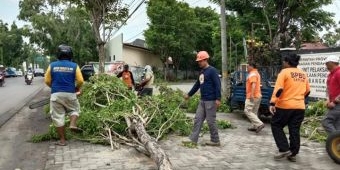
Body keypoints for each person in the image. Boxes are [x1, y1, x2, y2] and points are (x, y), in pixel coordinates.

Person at [269, 53, 310, 162]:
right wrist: (299, 99)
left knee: (276, 124)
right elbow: (307, 91)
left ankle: (284, 149)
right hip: (300, 107)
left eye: (284, 61)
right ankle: (293, 153)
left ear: (287, 62)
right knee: (294, 129)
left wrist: (273, 103)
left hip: (285, 105)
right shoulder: (303, 74)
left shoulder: (284, 72)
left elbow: (279, 90)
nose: (283, 63)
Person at [44, 44, 84, 146]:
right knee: (75, 109)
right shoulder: (75, 66)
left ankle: (62, 141)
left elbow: (47, 80)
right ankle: (72, 123)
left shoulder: (52, 65)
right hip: (70, 93)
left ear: (58, 54)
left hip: (56, 94)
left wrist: (53, 87)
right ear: (70, 54)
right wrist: (76, 88)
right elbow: (80, 80)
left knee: (58, 117)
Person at [182, 51, 221, 146]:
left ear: (205, 60)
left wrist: (218, 98)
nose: (199, 62)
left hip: (211, 100)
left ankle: (215, 140)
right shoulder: (202, 72)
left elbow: (217, 85)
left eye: (200, 61)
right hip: (203, 100)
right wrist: (189, 94)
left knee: (210, 121)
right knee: (198, 119)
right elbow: (197, 85)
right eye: (198, 61)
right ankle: (193, 139)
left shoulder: (212, 71)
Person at [322, 55, 340, 134]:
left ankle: (335, 140)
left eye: (326, 64)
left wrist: (334, 102)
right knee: (337, 125)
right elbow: (328, 89)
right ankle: (336, 144)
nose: (326, 66)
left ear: (332, 63)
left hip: (337, 104)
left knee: (326, 122)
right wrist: (328, 100)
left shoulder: (339, 73)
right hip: (333, 103)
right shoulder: (330, 74)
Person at [245, 62, 265, 133]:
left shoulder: (252, 74)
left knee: (247, 111)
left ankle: (259, 124)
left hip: (252, 96)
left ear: (252, 66)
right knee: (254, 112)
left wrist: (252, 95)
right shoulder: (257, 73)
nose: (247, 68)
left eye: (248, 66)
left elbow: (253, 84)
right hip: (258, 95)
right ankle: (254, 126)